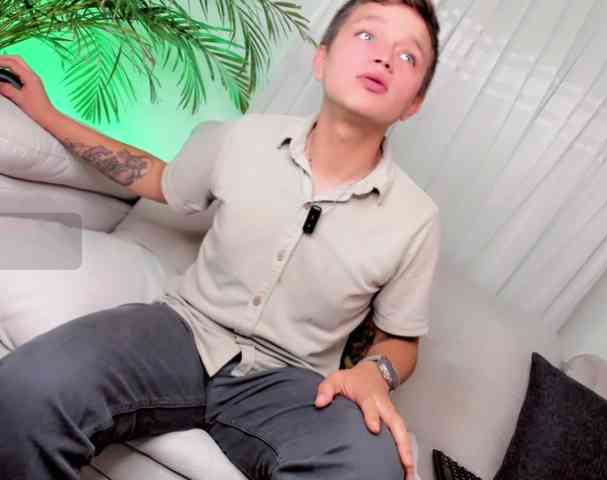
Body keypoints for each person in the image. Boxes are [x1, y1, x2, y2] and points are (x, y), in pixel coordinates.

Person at [0, 0, 441, 479]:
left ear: (414, 104)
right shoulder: (242, 138)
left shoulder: (416, 220)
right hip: (181, 332)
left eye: (408, 56)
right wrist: (46, 113)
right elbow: (156, 177)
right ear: (322, 58)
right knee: (29, 387)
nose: (383, 57)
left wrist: (376, 372)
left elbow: (400, 338)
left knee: (372, 467)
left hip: (294, 386)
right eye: (367, 35)